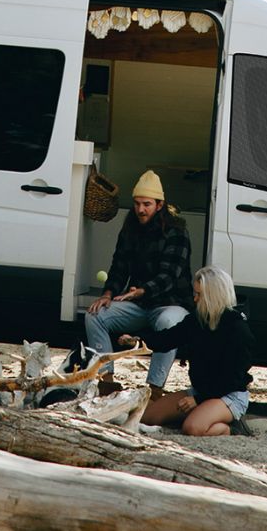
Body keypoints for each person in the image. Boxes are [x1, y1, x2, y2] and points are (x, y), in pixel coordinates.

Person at [85, 169, 192, 397]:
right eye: (136, 203)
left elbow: (169, 276)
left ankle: (154, 389)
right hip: (140, 303)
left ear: (159, 205)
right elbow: (119, 266)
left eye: (146, 204)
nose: (140, 209)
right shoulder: (130, 228)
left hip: (170, 303)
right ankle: (106, 381)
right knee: (94, 315)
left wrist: (141, 291)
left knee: (169, 323)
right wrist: (108, 293)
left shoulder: (177, 231)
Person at [119, 265, 253, 437]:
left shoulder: (238, 330)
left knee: (193, 428)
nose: (195, 299)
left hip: (228, 395)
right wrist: (139, 340)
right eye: (194, 293)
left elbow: (233, 379)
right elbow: (168, 339)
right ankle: (201, 413)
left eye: (199, 295)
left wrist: (199, 400)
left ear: (213, 296)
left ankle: (231, 428)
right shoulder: (197, 321)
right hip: (200, 390)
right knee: (147, 417)